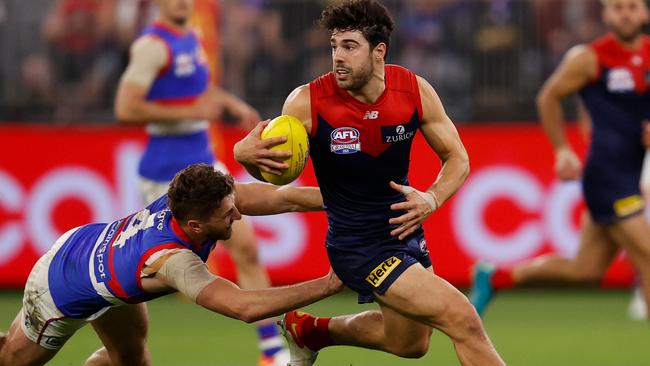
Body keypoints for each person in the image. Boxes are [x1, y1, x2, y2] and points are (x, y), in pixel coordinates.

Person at [235, 1, 505, 365]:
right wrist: (243, 155)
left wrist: (432, 198)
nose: (337, 57)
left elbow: (458, 159)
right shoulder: (307, 102)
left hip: (405, 234)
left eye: (349, 46)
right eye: (334, 46)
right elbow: (274, 167)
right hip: (358, 247)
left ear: (379, 51)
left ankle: (311, 330)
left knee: (411, 343)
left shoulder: (412, 90)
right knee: (463, 318)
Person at [0, 164, 342, 366]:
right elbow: (244, 306)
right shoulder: (172, 260)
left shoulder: (195, 198)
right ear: (195, 226)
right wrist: (327, 284)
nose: (238, 215)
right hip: (59, 286)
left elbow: (285, 198)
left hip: (99, 259)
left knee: (132, 361)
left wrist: (353, 203)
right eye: (228, 215)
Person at [114, 0, 291, 363]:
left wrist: (230, 102)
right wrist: (191, 112)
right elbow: (125, 108)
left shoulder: (191, 36)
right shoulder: (152, 46)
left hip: (205, 166)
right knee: (159, 277)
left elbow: (198, 89)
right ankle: (116, 347)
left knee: (247, 248)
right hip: (167, 179)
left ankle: (273, 350)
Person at [469, 0, 650, 320]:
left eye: (633, 6)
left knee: (586, 270)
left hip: (629, 173)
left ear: (645, 13)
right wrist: (563, 150)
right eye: (618, 7)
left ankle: (497, 277)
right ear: (605, 14)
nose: (625, 13)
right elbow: (548, 97)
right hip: (606, 175)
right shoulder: (591, 58)